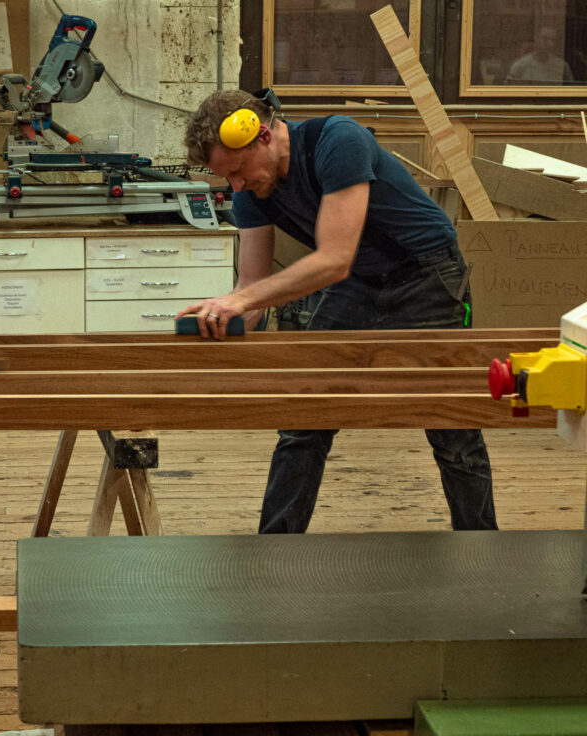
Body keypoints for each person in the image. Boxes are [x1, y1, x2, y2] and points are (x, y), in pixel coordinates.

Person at [177, 90, 496, 535]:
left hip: (427, 276)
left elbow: (333, 259)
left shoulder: (338, 140)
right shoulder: (253, 188)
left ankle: (482, 546)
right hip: (361, 282)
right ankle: (276, 546)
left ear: (263, 136)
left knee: (451, 425)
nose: (235, 186)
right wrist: (217, 321)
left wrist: (242, 302)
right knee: (305, 418)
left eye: (236, 171)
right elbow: (249, 289)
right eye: (225, 177)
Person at [506, 26, 574, 84]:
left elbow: (571, 91)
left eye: (553, 40)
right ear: (536, 39)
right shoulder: (520, 65)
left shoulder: (562, 67)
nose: (550, 44)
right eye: (545, 39)